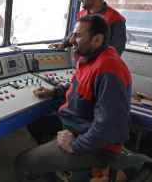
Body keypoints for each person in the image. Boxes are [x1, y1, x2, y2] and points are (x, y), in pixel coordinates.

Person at [16, 15, 132, 182]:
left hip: (97, 146)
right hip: (77, 125)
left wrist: (74, 146)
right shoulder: (89, 58)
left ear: (97, 39)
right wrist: (54, 92)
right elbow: (79, 87)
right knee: (36, 123)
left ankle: (87, 166)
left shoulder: (109, 70)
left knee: (23, 162)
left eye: (78, 35)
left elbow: (109, 129)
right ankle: (55, 166)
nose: (71, 40)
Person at [50, 0, 127, 55]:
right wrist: (64, 44)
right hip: (82, 59)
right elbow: (75, 33)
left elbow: (117, 48)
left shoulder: (115, 18)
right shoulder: (82, 14)